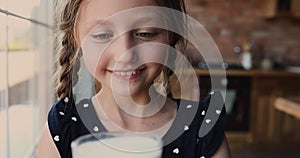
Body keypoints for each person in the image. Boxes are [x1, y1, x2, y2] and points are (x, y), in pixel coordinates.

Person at [37, 0, 231, 157]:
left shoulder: (203, 129)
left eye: (145, 34)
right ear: (77, 39)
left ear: (170, 38)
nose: (126, 54)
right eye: (103, 35)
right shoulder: (62, 129)